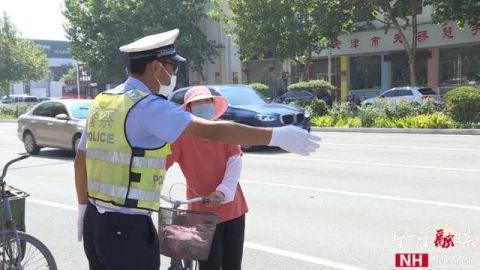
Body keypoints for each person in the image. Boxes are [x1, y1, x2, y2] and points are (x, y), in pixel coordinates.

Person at [74, 28, 320, 270]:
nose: (174, 74)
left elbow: (81, 159)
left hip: (97, 223)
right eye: (173, 67)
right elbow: (213, 130)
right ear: (156, 67)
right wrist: (275, 135)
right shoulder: (147, 106)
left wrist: (84, 208)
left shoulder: (104, 100)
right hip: (126, 230)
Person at [166, 86, 247, 270]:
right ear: (189, 108)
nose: (203, 105)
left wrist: (222, 192)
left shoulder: (224, 130)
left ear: (213, 104)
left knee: (232, 264)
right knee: (208, 265)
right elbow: (161, 164)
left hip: (233, 208)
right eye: (197, 103)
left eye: (207, 101)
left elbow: (235, 162)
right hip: (202, 213)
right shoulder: (181, 138)